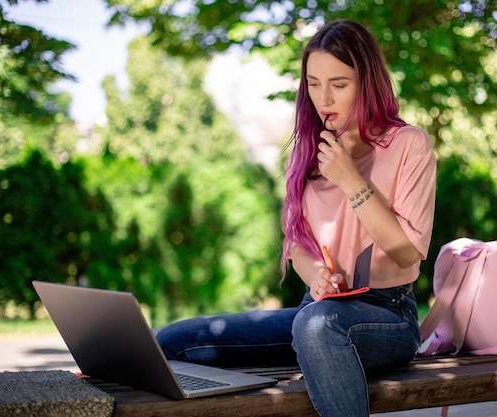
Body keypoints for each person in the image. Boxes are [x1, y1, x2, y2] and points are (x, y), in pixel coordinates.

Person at [156, 19, 436, 417]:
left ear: (368, 82)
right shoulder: (307, 149)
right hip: (317, 307)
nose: (325, 98)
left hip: (388, 314)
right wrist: (314, 276)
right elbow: (297, 245)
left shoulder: (409, 144)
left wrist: (351, 180)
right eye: (314, 83)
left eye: (339, 84)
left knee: (319, 328)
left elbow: (407, 252)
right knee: (172, 340)